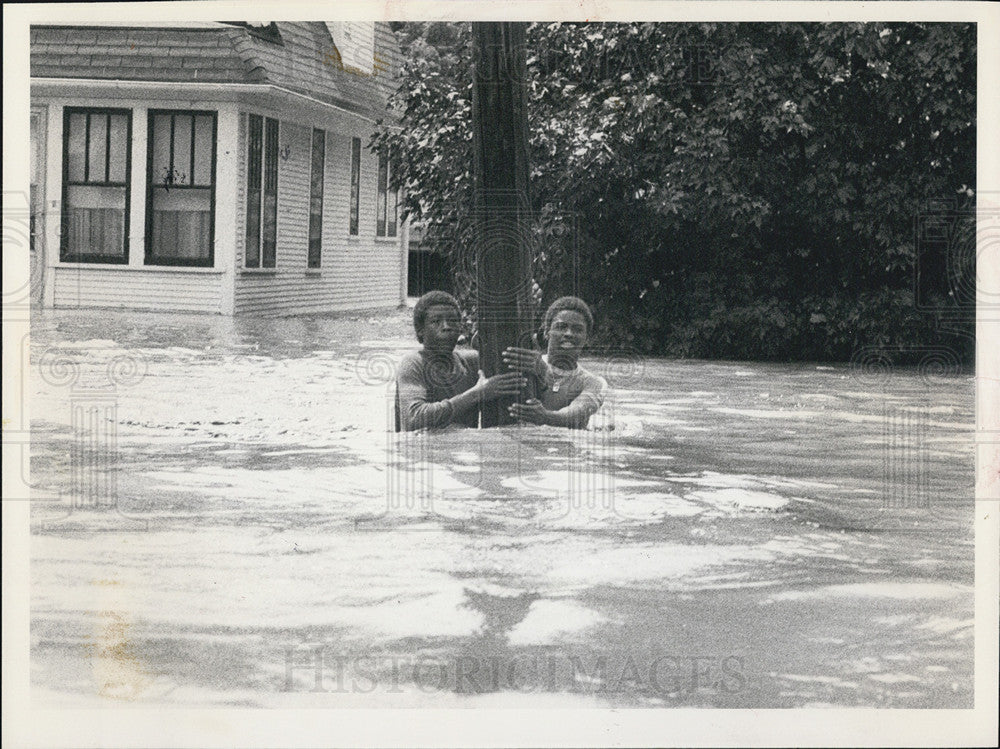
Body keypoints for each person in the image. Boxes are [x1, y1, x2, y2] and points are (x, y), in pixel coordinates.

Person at [396, 291, 526, 431]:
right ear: (420, 330)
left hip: (464, 448)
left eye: (452, 321)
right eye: (436, 321)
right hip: (425, 449)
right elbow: (414, 418)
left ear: (460, 328)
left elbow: (515, 364)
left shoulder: (472, 362)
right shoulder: (412, 364)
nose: (446, 326)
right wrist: (476, 394)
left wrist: (523, 309)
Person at [502, 296, 608, 429]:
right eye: (561, 327)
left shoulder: (594, 383)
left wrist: (545, 417)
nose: (569, 333)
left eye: (577, 329)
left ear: (587, 338)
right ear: (546, 332)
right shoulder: (528, 362)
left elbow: (577, 414)